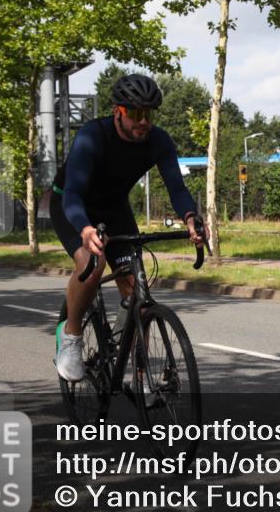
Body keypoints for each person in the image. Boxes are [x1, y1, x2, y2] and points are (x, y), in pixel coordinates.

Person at [50, 73, 206, 382]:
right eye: (135, 113)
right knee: (91, 264)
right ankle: (70, 336)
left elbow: (176, 187)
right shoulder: (93, 136)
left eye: (149, 113)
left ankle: (140, 371)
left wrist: (191, 217)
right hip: (72, 205)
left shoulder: (159, 141)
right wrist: (85, 228)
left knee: (137, 288)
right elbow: (73, 192)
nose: (143, 121)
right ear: (118, 111)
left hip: (114, 207)